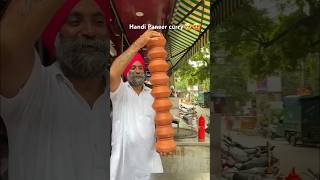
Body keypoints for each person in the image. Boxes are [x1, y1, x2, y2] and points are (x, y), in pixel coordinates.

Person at [0, 0, 156, 179]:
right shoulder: (32, 89)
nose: (89, 32)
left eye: (99, 22)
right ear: (57, 35)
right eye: (74, 22)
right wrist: (138, 44)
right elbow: (9, 43)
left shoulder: (111, 94)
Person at [110, 32, 169, 180]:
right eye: (132, 68)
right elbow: (112, 74)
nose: (137, 71)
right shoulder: (119, 91)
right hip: (122, 165)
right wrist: (138, 44)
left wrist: (166, 141)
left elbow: (162, 123)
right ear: (126, 72)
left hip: (148, 163)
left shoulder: (153, 95)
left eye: (140, 68)